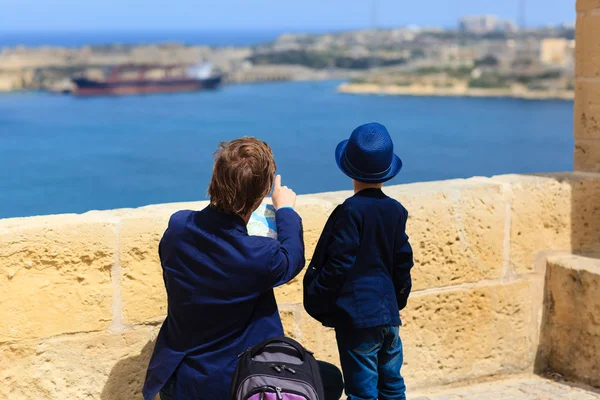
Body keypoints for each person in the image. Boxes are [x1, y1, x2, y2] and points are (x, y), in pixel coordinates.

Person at [142, 137, 343, 400]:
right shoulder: (259, 255)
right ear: (261, 194)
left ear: (215, 180)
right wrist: (285, 211)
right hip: (240, 382)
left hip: (180, 380)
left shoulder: (178, 227)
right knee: (331, 380)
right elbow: (292, 258)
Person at [303, 123, 414, 400]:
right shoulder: (396, 211)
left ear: (350, 171)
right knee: (392, 385)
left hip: (358, 318)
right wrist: (396, 301)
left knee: (361, 391)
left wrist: (320, 296)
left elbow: (339, 263)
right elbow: (403, 261)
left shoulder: (350, 211)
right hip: (388, 315)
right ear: (387, 172)